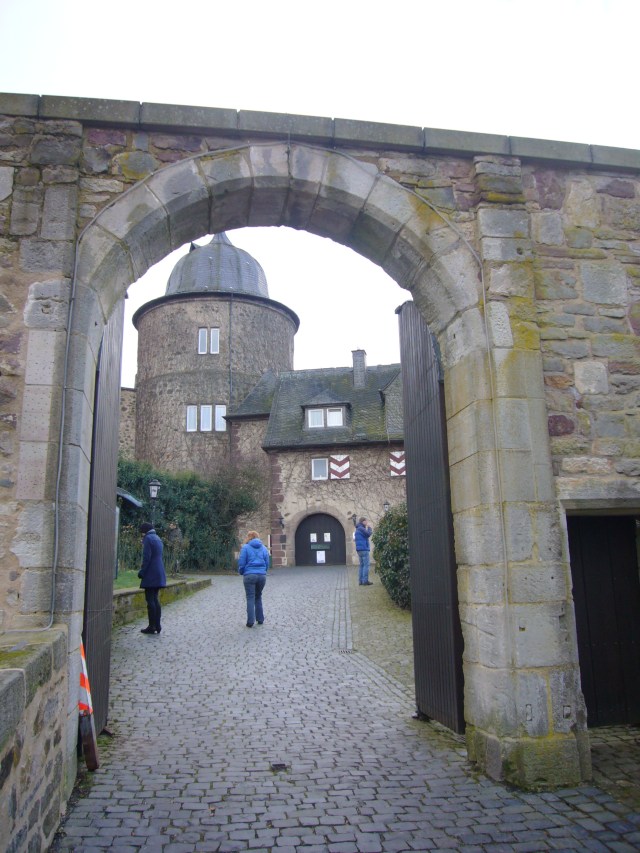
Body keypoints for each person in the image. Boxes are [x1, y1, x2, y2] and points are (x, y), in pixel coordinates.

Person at [138, 522, 167, 634]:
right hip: (159, 572)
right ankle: (158, 625)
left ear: (144, 531)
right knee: (155, 599)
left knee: (150, 600)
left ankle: (152, 626)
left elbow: (147, 557)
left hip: (151, 572)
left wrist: (142, 572)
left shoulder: (148, 539)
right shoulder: (157, 538)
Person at [237, 530, 270, 627]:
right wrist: (264, 571)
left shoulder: (245, 548)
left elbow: (242, 562)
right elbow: (267, 562)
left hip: (249, 575)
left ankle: (250, 621)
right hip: (261, 576)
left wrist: (241, 571)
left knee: (250, 597)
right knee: (258, 596)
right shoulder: (264, 548)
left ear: (248, 537)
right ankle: (260, 619)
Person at [355, 517, 373, 585]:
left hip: (359, 549)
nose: (367, 522)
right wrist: (369, 527)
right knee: (366, 565)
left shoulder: (357, 529)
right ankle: (365, 581)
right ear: (363, 521)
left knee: (362, 565)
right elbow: (368, 534)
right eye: (366, 521)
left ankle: (360, 581)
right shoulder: (361, 528)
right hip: (364, 549)